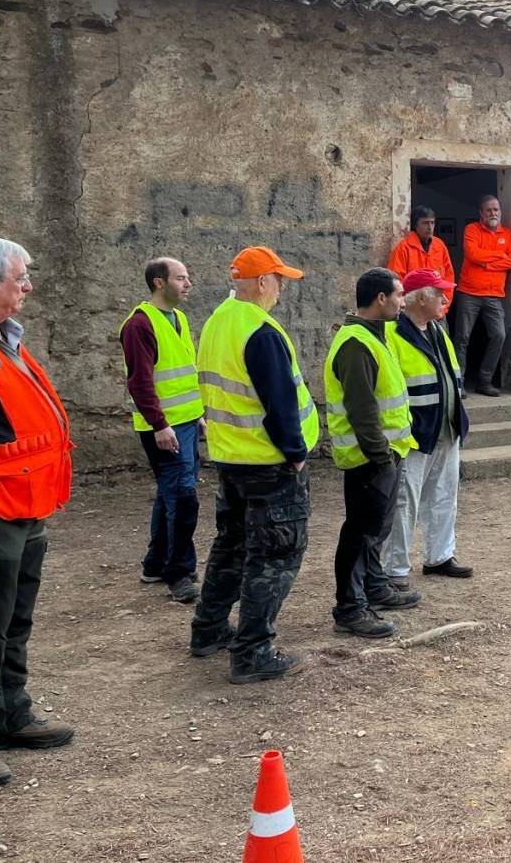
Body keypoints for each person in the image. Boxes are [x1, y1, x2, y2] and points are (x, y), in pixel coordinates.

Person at [189, 246, 318, 684]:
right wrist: (296, 454)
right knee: (275, 554)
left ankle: (208, 629)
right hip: (270, 463)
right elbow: (279, 403)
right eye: (279, 280)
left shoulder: (218, 321)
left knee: (232, 545)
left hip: (232, 458)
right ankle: (252, 652)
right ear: (262, 282)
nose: (282, 288)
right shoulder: (260, 331)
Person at [0, 236, 74, 789]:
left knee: (13, 623)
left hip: (25, 509)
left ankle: (9, 714)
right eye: (20, 278)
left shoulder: (1, 339)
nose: (29, 287)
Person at [323, 267, 422, 638]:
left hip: (384, 455)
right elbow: (362, 410)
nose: (403, 302)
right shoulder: (356, 343)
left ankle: (374, 586)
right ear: (381, 298)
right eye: (398, 295)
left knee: (376, 529)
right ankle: (349, 609)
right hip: (369, 458)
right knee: (360, 532)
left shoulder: (374, 336)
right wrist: (381, 458)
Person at [119, 257, 203, 604]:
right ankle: (179, 572)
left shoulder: (179, 318)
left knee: (172, 495)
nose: (188, 284)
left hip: (185, 422)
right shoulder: (139, 324)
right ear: (159, 282)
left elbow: (184, 372)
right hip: (164, 429)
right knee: (183, 497)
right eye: (181, 278)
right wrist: (160, 424)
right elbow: (139, 382)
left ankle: (156, 564)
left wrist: (196, 414)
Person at [382, 269, 472, 589]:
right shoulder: (392, 334)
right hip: (416, 433)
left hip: (446, 427)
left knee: (445, 494)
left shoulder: (437, 329)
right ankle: (395, 568)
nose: (446, 298)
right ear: (421, 297)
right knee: (405, 502)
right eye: (439, 293)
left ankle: (440, 556)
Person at [453, 195, 511, 397]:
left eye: (496, 210)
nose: (493, 213)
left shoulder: (507, 233)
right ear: (481, 213)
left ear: (500, 212)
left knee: (499, 335)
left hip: (494, 295)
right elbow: (473, 254)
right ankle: (458, 383)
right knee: (462, 338)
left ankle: (485, 381)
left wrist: (488, 264)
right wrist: (500, 255)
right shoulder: (472, 230)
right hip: (469, 293)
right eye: (489, 210)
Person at [387, 206, 456, 318]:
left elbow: (449, 277)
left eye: (432, 223)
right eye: (425, 223)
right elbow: (395, 280)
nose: (430, 227)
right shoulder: (404, 248)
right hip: (414, 312)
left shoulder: (440, 246)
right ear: (415, 225)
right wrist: (405, 306)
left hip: (438, 312)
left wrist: (444, 307)